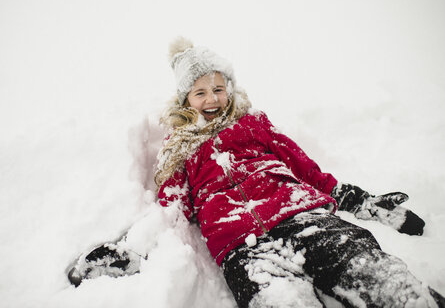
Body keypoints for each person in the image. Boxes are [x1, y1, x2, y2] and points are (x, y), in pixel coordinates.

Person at [68, 38, 444, 308]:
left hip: (304, 219)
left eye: (218, 88)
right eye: (200, 93)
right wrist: (133, 248)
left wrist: (359, 200)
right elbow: (172, 208)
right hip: (242, 251)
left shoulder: (253, 123)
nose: (212, 99)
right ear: (185, 100)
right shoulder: (179, 149)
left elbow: (303, 166)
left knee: (385, 283)